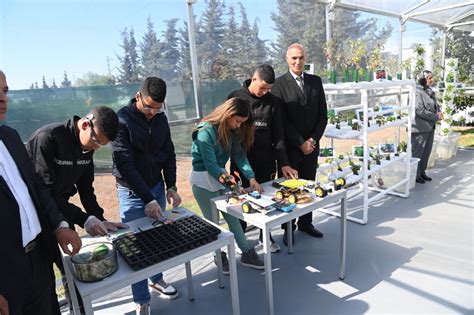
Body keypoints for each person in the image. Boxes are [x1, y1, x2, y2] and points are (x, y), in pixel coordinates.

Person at [0, 70, 82, 315]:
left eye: (4, 91)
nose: (3, 98)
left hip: (39, 259)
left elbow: (35, 186)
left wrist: (59, 224)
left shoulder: (11, 136)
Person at [111, 77, 182, 315]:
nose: (152, 113)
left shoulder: (160, 120)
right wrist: (147, 198)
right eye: (149, 107)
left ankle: (157, 278)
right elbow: (125, 164)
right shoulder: (121, 120)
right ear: (138, 96)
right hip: (131, 191)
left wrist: (171, 185)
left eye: (157, 108)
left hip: (156, 187)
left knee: (157, 237)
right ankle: (141, 298)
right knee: (136, 245)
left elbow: (168, 153)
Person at [229, 64, 298, 253]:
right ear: (253, 79)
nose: (265, 92)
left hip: (266, 160)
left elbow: (279, 135)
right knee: (241, 199)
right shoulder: (236, 97)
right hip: (241, 160)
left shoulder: (273, 102)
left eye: (269, 88)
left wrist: (283, 162)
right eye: (263, 87)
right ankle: (239, 237)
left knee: (266, 199)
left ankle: (264, 235)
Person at [26, 106, 128, 236]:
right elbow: (45, 191)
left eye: (100, 145)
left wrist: (100, 219)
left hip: (61, 206)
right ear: (85, 125)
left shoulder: (88, 147)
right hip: (36, 211)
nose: (95, 148)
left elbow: (86, 190)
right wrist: (83, 219)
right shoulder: (48, 138)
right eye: (96, 141)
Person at [190, 97, 265, 273]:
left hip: (220, 176)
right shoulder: (204, 132)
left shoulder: (230, 132)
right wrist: (231, 183)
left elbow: (239, 156)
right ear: (229, 114)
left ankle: (246, 251)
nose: (238, 126)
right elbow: (210, 166)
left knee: (233, 216)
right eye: (237, 121)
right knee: (213, 224)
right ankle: (218, 255)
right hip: (204, 181)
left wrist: (251, 178)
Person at [271, 43, 328, 246]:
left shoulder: (315, 81)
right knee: (290, 190)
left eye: (301, 58)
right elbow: (282, 121)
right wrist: (300, 142)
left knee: (309, 186)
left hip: (311, 148)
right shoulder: (278, 85)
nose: (298, 61)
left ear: (305, 59)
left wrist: (312, 141)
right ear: (287, 59)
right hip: (291, 150)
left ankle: (306, 223)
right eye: (294, 58)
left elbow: (323, 115)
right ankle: (288, 228)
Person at [412, 70, 444, 184]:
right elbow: (419, 110)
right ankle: (415, 175)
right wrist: (436, 116)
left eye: (432, 77)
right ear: (422, 78)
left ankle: (422, 172)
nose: (432, 80)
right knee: (417, 153)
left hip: (430, 127)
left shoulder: (429, 90)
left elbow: (436, 104)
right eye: (429, 78)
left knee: (426, 152)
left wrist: (439, 112)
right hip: (420, 127)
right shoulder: (416, 91)